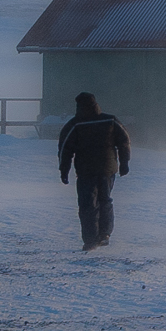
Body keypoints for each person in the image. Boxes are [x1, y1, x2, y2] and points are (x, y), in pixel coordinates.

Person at [58, 92, 131, 251]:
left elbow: (65, 149)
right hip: (107, 169)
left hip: (86, 170)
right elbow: (124, 140)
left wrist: (64, 170)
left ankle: (91, 240)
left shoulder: (75, 124)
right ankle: (104, 234)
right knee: (105, 200)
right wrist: (124, 162)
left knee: (87, 204)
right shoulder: (109, 120)